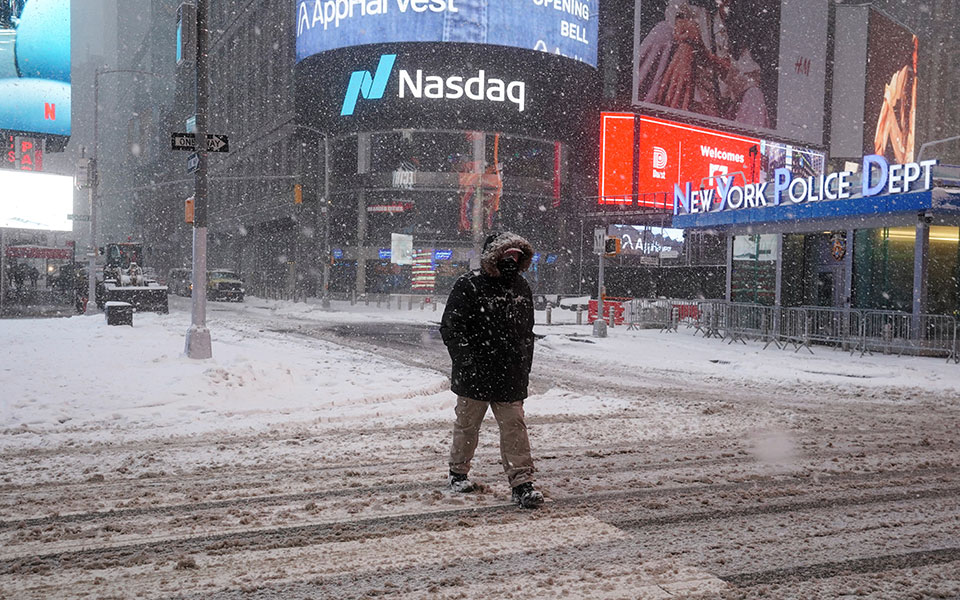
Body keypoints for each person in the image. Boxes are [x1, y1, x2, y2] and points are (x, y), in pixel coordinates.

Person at [439, 231, 544, 509]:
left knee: (515, 429)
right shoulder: (469, 285)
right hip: (475, 374)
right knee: (467, 427)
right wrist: (467, 361)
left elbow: (526, 335)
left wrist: (524, 369)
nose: (511, 261)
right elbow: (451, 327)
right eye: (506, 255)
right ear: (493, 256)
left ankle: (522, 484)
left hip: (509, 375)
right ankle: (458, 473)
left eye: (516, 257)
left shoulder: (521, 288)